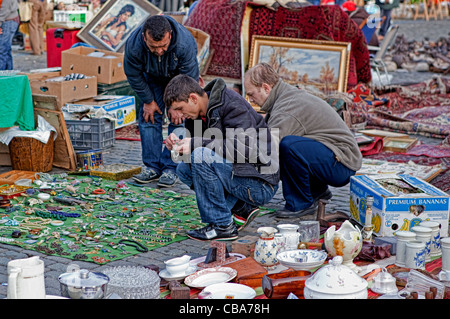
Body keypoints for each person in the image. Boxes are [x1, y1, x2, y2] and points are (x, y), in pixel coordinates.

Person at [163, 74, 280, 241]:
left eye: (181, 109)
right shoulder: (196, 115)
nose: (181, 115)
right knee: (183, 168)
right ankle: (241, 207)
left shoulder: (231, 103)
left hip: (261, 182)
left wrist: (195, 144)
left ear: (193, 98)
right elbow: (203, 150)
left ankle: (222, 225)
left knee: (200, 155)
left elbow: (244, 148)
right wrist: (178, 146)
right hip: (239, 173)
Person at [244, 63, 362, 218]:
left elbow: (267, 150)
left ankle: (300, 203)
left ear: (266, 88)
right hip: (335, 155)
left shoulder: (286, 107)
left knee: (288, 146)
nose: (251, 99)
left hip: (342, 164)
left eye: (251, 94)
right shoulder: (284, 96)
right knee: (295, 145)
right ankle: (318, 192)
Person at [124, 15, 199, 187]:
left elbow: (190, 77)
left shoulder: (184, 44)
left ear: (170, 35)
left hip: (179, 78)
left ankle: (172, 168)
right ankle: (152, 167)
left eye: (163, 46)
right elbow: (133, 75)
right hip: (150, 78)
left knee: (180, 119)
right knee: (148, 117)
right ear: (144, 37)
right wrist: (148, 101)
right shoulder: (134, 45)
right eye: (153, 47)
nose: (159, 51)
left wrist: (177, 105)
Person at [0, 0, 20, 69]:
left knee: (2, 49)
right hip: (8, 20)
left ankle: (2, 74)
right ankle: (8, 72)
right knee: (6, 48)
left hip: (8, 21)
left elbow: (4, 10)